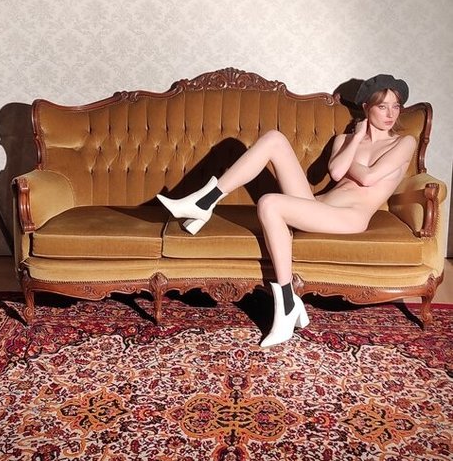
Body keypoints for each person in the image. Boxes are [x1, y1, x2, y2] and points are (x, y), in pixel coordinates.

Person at [157, 74, 416, 349]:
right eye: (382, 107)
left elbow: (367, 177)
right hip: (318, 205)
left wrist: (353, 155)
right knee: (274, 139)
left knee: (270, 203)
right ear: (366, 107)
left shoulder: (403, 143)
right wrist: (358, 138)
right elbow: (337, 171)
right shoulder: (345, 140)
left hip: (350, 216)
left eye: (396, 106)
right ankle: (205, 202)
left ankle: (286, 305)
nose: (391, 114)